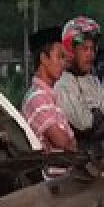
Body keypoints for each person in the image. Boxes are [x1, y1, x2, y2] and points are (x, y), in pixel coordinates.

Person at [55, 16, 104, 152]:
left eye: (92, 49)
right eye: (84, 49)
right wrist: (98, 116)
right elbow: (83, 123)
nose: (90, 54)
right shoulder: (62, 83)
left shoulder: (93, 81)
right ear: (70, 51)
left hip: (98, 158)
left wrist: (96, 117)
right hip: (76, 163)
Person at [21, 26, 76, 160]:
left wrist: (70, 142)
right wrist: (69, 142)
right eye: (59, 57)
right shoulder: (38, 98)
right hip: (53, 178)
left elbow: (73, 143)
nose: (63, 63)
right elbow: (64, 143)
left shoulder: (49, 97)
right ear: (44, 59)